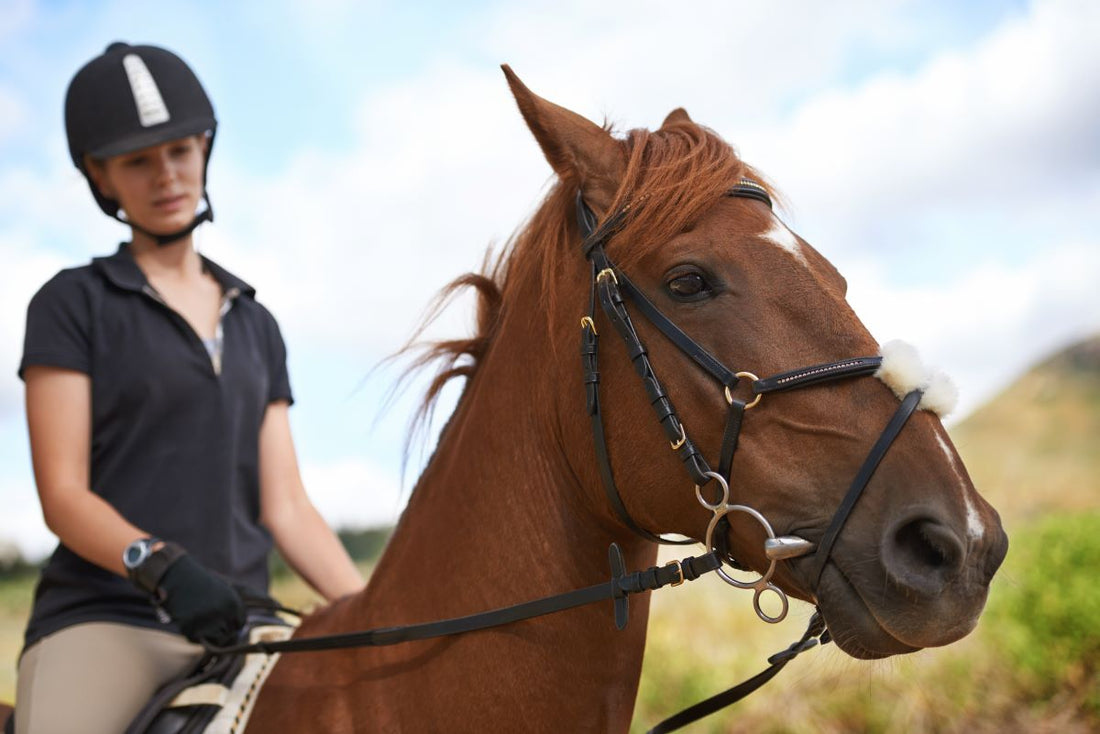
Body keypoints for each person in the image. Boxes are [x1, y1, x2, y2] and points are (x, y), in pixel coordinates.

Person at [13, 42, 365, 734]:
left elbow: (287, 507)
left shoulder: (257, 322)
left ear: (204, 147)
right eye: (137, 161)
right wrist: (161, 566)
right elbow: (63, 494)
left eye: (179, 150)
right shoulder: (70, 304)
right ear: (101, 176)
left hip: (246, 622)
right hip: (111, 620)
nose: (166, 175)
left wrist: (380, 609)